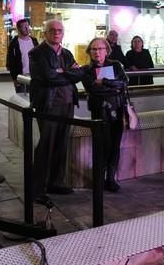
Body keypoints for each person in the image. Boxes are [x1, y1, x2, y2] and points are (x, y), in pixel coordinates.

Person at [29, 19, 83, 204]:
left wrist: (62, 72)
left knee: (61, 144)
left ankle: (55, 182)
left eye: (60, 30)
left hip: (67, 103)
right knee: (46, 146)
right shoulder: (36, 53)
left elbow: (79, 74)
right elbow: (49, 77)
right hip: (49, 105)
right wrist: (65, 74)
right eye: (52, 30)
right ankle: (37, 189)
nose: (56, 33)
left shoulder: (66, 53)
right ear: (45, 33)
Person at [81, 37, 129, 192]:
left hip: (117, 110)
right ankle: (99, 178)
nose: (97, 52)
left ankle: (111, 178)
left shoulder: (116, 65)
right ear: (90, 52)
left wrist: (104, 82)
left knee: (115, 145)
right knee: (102, 145)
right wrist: (112, 86)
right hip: (99, 111)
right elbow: (92, 89)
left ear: (106, 50)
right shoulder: (86, 69)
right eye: (94, 49)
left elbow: (124, 83)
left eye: (100, 49)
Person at [6, 18, 38, 93]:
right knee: (22, 99)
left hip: (34, 76)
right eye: (24, 27)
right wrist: (14, 78)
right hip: (21, 76)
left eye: (27, 26)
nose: (27, 28)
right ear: (19, 29)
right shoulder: (14, 43)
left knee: (35, 99)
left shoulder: (34, 41)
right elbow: (11, 61)